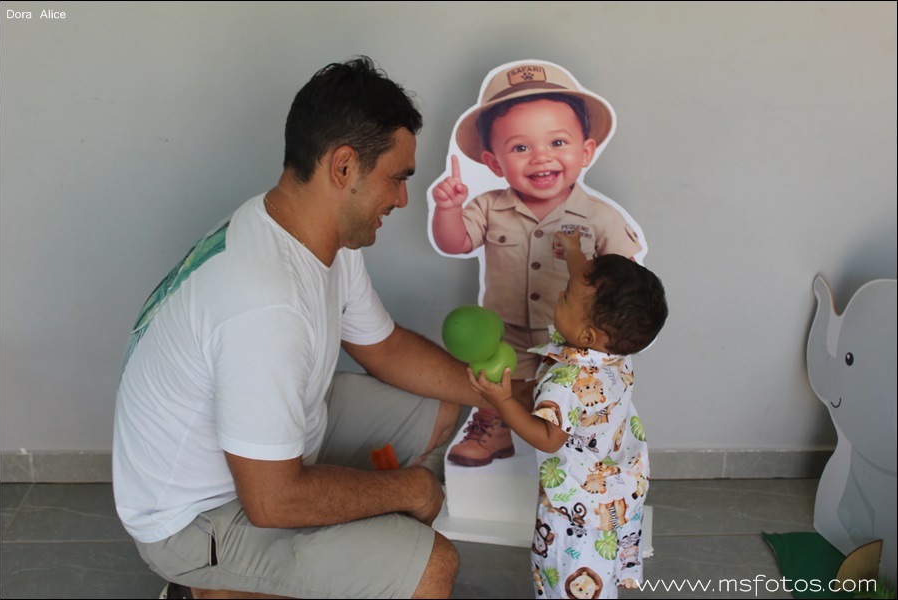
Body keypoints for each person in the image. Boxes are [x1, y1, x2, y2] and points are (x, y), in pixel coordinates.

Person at [113, 57, 507, 600]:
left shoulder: (308, 231)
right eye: (396, 178)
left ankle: (342, 556)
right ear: (344, 167)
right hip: (194, 520)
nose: (401, 198)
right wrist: (409, 490)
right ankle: (206, 590)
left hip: (272, 450)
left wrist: (503, 391)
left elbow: (386, 348)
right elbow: (272, 500)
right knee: (430, 571)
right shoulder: (264, 304)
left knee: (443, 408)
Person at [431, 61, 644, 467]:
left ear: (586, 151)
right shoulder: (488, 207)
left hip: (574, 337)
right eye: (520, 148)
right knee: (495, 379)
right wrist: (449, 208)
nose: (540, 158)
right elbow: (455, 242)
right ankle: (494, 427)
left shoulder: (600, 217)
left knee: (565, 394)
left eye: (557, 142)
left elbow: (626, 279)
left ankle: (575, 442)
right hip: (506, 328)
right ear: (494, 163)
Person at [468, 232, 667, 599]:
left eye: (564, 297)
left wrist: (502, 400)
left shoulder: (570, 382)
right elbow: (584, 279)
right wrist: (574, 251)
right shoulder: (615, 352)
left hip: (574, 509)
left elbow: (548, 438)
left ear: (586, 335)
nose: (559, 295)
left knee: (567, 580)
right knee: (601, 573)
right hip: (616, 491)